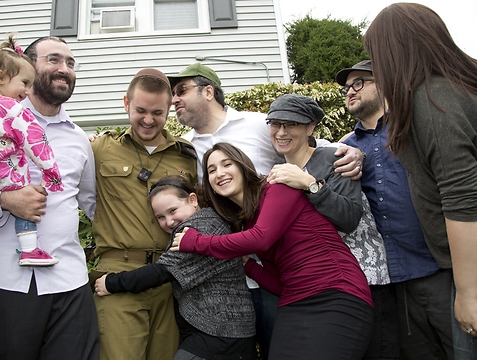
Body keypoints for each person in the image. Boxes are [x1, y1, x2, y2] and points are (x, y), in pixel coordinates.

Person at [167, 62, 366, 359]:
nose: (174, 100)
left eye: (181, 90)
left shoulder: (264, 134)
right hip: (265, 276)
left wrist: (352, 149)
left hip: (323, 285)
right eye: (211, 170)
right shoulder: (186, 147)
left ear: (208, 91)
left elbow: (309, 145)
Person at [364, 3, 477, 359]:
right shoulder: (465, 86)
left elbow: (463, 197)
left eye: (375, 55)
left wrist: (464, 293)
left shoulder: (431, 99)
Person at [171, 142, 374, 359]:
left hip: (336, 292)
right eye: (211, 171)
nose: (219, 173)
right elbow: (279, 283)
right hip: (294, 302)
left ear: (242, 166)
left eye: (226, 164)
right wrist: (248, 265)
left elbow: (262, 239)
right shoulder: (247, 224)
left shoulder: (277, 187)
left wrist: (197, 242)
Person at [0, 36, 99, 360]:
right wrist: (4, 202)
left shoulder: (79, 139)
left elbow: (91, 203)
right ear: (27, 65)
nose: (63, 69)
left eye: (70, 63)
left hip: (69, 284)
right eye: (53, 60)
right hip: (0, 282)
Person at [336, 60, 452, 360]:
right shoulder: (345, 147)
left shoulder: (413, 124)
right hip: (391, 280)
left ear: (383, 83)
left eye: (359, 83)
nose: (350, 91)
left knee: (465, 348)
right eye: (346, 88)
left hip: (438, 265)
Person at [263, 94, 392, 360]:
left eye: (292, 124)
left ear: (310, 128)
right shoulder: (277, 173)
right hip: (316, 285)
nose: (282, 132)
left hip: (364, 279)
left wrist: (309, 184)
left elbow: (349, 217)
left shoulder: (335, 157)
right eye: (276, 124)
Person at [90, 68, 197, 360]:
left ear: (169, 111)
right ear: (126, 103)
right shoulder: (100, 149)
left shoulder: (187, 155)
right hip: (118, 276)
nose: (148, 120)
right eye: (140, 110)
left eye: (157, 112)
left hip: (170, 277)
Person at [94, 175, 256, 360]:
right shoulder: (206, 220)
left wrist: (111, 282)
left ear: (192, 200)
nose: (169, 221)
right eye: (161, 217)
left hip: (220, 333)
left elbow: (162, 272)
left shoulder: (199, 228)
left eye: (173, 210)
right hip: (216, 331)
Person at [0, 34, 62, 267]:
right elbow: (35, 140)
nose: (28, 92)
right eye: (24, 84)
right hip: (2, 174)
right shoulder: (12, 107)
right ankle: (29, 249)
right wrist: (51, 172)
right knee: (28, 194)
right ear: (0, 77)